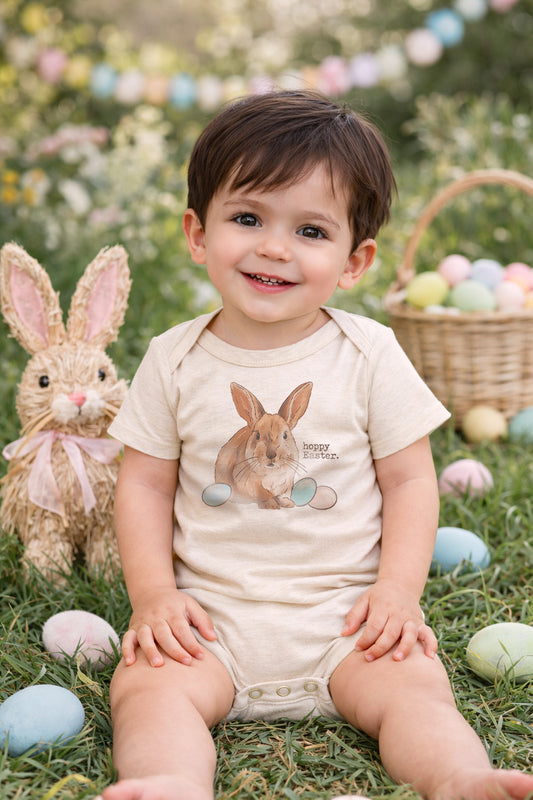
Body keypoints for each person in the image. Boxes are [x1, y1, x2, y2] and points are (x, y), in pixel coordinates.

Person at [97, 90, 533, 800]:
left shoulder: (369, 354)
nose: (273, 246)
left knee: (415, 690)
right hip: (209, 622)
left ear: (355, 260)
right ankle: (169, 782)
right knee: (148, 689)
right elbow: (143, 484)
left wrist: (395, 593)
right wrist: (153, 599)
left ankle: (458, 779)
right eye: (247, 218)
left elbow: (410, 482)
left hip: (346, 620)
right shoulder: (172, 358)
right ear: (198, 234)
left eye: (310, 230)